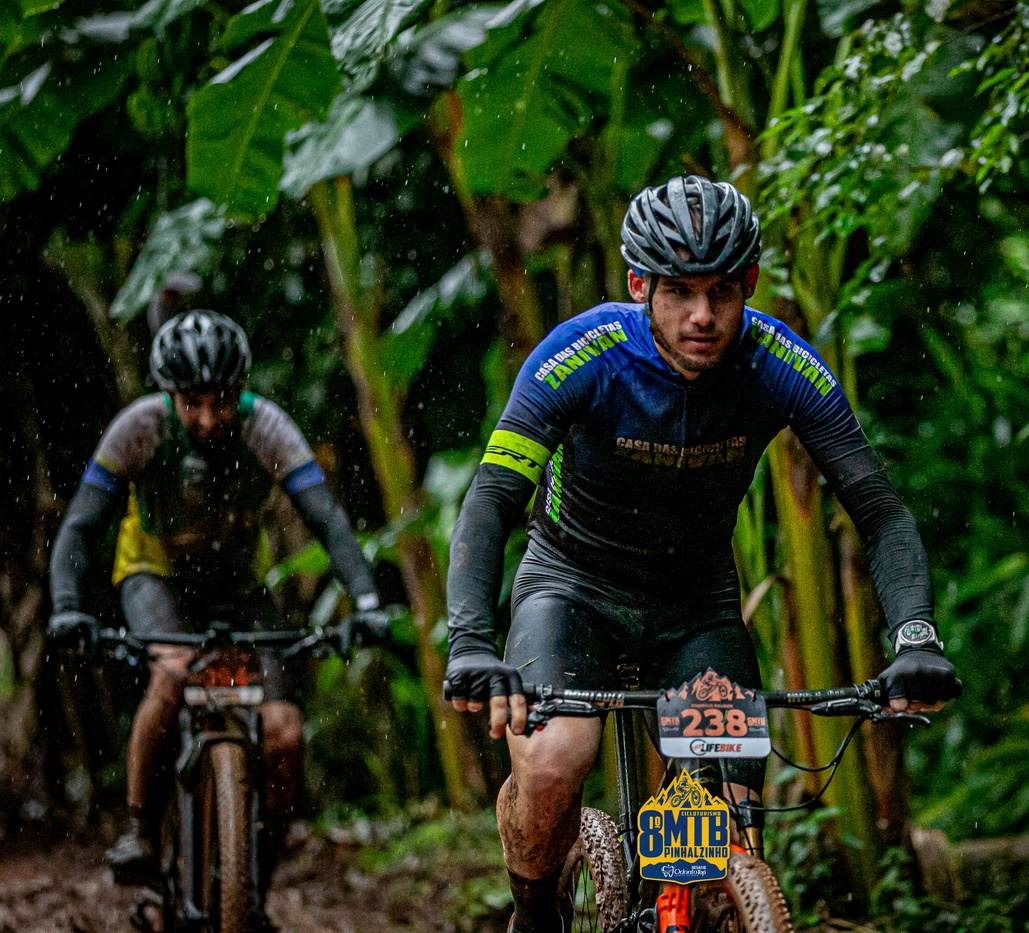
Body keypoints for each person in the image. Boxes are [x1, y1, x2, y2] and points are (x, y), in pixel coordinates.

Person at [442, 175, 960, 932]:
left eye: (722, 291)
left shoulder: (781, 364)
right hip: (571, 588)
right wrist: (469, 640)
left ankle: (694, 902)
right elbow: (492, 498)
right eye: (680, 291)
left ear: (749, 283)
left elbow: (878, 510)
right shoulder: (580, 356)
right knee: (554, 760)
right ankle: (535, 915)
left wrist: (915, 636)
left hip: (695, 604)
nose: (703, 316)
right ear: (638, 285)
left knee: (723, 822)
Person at [47, 310, 386, 894]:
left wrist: (368, 601)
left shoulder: (268, 428)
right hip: (154, 575)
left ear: (241, 391)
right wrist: (67, 605)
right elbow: (79, 526)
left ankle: (255, 878)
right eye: (192, 403)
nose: (208, 419)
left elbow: (327, 520)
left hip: (236, 585)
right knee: (172, 672)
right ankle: (141, 830)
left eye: (223, 401)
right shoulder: (139, 428)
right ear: (169, 396)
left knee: (284, 734)